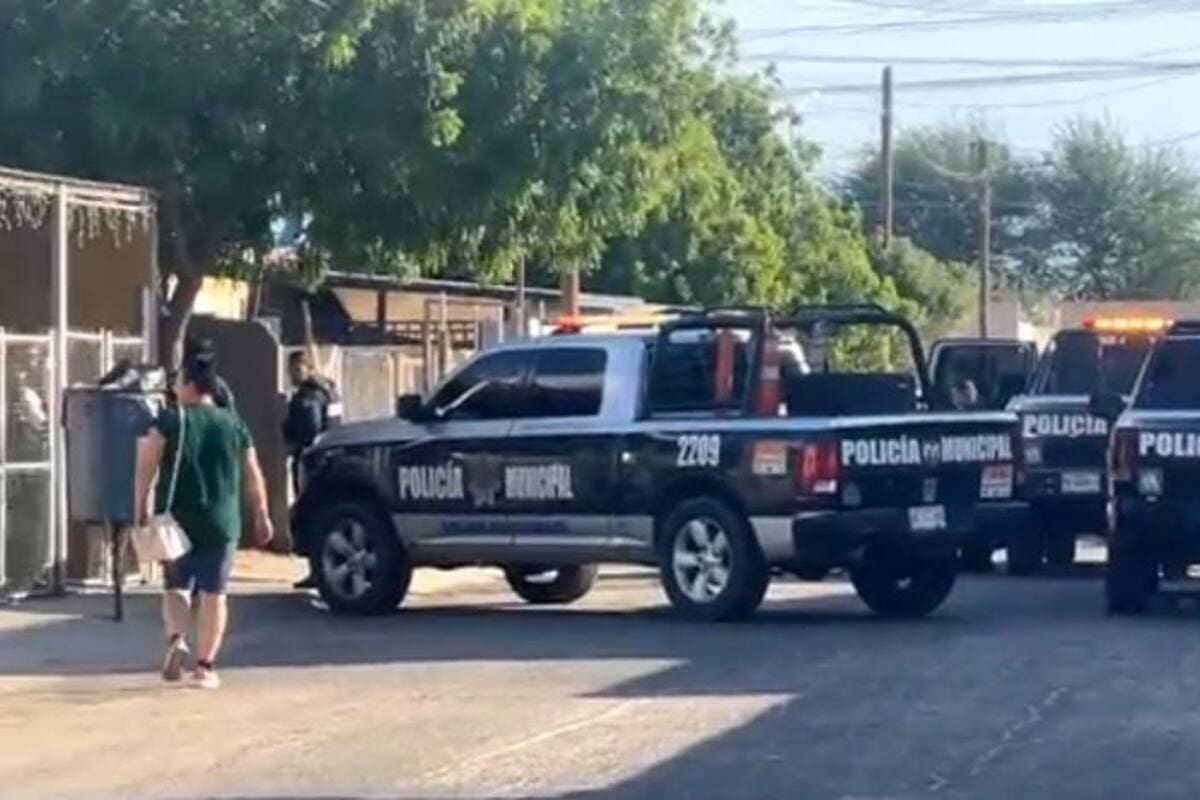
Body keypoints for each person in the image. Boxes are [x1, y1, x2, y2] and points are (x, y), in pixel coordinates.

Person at [134, 348, 273, 689]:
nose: (175, 388)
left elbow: (146, 464)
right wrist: (262, 514)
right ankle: (205, 667)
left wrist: (139, 505)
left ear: (192, 385)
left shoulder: (169, 420)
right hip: (222, 521)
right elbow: (252, 472)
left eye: (178, 381)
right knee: (215, 594)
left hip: (176, 519)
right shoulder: (234, 423)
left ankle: (177, 638)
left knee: (176, 587)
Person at [282, 349, 342, 589]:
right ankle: (324, 568)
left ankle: (317, 570)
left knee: (311, 517)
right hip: (333, 459)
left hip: (312, 462)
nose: (292, 375)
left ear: (307, 368)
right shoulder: (330, 391)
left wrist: (292, 439)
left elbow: (309, 428)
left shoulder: (309, 396)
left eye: (295, 369)